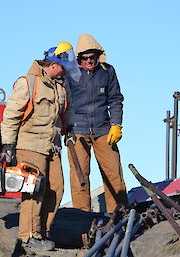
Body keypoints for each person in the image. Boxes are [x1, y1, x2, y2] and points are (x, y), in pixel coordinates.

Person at [0, 42, 80, 250]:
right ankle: (28, 236)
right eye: (63, 67)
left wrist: (69, 129)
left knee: (56, 188)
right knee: (34, 189)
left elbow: (66, 112)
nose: (65, 72)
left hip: (51, 146)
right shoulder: (28, 83)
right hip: (30, 144)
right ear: (54, 64)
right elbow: (11, 115)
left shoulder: (60, 86)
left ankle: (42, 232)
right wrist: (8, 143)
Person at [65, 33, 128, 213]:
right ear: (79, 59)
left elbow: (115, 99)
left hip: (104, 130)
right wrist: (66, 129)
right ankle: (81, 218)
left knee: (113, 174)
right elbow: (63, 101)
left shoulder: (108, 71)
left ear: (97, 56)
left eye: (92, 57)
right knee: (79, 177)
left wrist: (116, 124)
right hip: (77, 131)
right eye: (84, 58)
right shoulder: (70, 74)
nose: (88, 61)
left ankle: (120, 216)